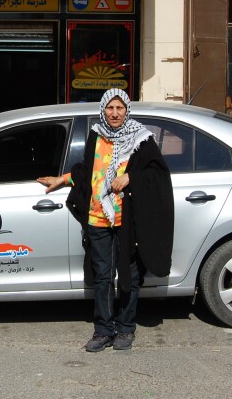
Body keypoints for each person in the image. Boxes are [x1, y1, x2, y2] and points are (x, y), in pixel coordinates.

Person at [38, 88, 174, 352]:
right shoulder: (96, 135)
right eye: (110, 108)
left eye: (119, 108)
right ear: (103, 110)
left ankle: (125, 329)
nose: (114, 113)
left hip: (128, 219)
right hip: (98, 217)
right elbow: (87, 171)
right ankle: (102, 330)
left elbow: (158, 174)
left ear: (127, 110)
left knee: (129, 277)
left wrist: (130, 177)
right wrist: (62, 179)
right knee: (102, 277)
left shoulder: (142, 139)